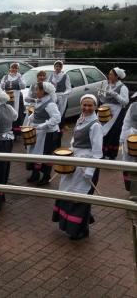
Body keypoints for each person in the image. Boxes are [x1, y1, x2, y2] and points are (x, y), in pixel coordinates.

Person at [52, 94, 103, 240]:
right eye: (84, 105)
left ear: (95, 106)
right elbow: (74, 142)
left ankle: (80, 230)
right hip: (75, 161)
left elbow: (97, 152)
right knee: (68, 191)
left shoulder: (95, 125)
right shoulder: (80, 119)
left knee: (79, 196)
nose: (86, 108)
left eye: (90, 105)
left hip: (86, 165)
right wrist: (68, 154)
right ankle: (81, 223)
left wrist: (90, 170)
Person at [25, 82, 61, 185]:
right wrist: (31, 118)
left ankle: (46, 176)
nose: (36, 91)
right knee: (35, 153)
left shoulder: (50, 104)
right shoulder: (39, 101)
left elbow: (57, 118)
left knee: (46, 155)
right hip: (38, 131)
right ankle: (35, 174)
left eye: (37, 90)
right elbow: (38, 112)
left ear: (43, 91)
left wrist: (43, 125)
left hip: (47, 134)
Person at [98, 67, 129, 160]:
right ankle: (102, 153)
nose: (109, 76)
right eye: (109, 74)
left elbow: (125, 102)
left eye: (111, 74)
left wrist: (115, 95)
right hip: (106, 112)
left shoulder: (123, 87)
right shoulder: (107, 85)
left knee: (113, 133)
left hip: (117, 113)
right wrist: (100, 96)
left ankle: (112, 155)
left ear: (117, 76)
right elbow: (104, 100)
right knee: (103, 132)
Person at [0, 62, 26, 134]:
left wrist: (20, 79)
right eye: (12, 68)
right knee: (7, 112)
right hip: (7, 98)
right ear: (10, 69)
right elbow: (1, 87)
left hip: (17, 97)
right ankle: (7, 129)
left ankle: (15, 132)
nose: (14, 69)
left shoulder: (20, 76)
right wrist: (3, 84)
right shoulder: (5, 77)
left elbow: (23, 86)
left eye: (15, 68)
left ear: (17, 69)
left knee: (16, 112)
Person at [119, 93, 137, 191]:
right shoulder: (133, 106)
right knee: (129, 163)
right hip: (131, 138)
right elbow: (126, 122)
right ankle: (131, 188)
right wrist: (123, 139)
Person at [48, 61, 71, 128]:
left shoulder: (65, 76)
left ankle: (59, 130)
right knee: (52, 115)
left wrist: (64, 94)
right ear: (54, 67)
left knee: (61, 116)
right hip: (53, 98)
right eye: (56, 66)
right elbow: (47, 86)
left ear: (61, 67)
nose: (58, 68)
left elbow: (69, 88)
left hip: (62, 98)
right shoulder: (51, 76)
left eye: (59, 66)